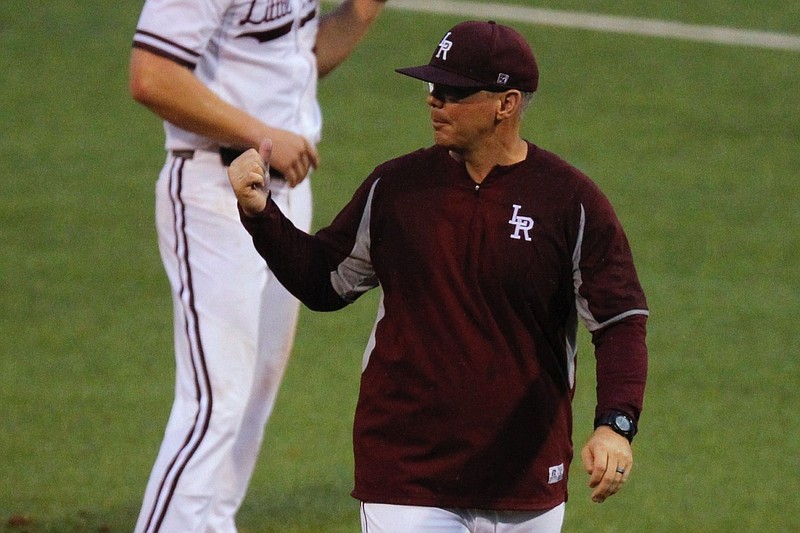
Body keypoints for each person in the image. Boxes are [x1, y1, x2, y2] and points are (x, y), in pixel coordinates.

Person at [228, 20, 649, 533]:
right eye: (432, 87)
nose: (435, 101)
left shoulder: (569, 201)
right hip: (408, 475)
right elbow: (326, 280)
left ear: (506, 103)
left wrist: (615, 426)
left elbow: (620, 321)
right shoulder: (396, 188)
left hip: (524, 478)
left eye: (453, 91)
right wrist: (260, 214)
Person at [127, 0, 385, 530]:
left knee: (254, 392)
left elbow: (291, 56)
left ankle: (212, 522)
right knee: (214, 400)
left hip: (282, 195)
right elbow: (151, 76)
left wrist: (362, 12)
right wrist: (259, 134)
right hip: (211, 189)